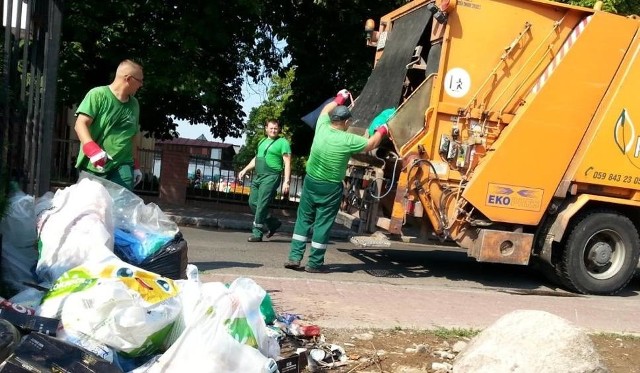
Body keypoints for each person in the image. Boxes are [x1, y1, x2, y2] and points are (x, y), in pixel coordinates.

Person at [285, 89, 390, 273]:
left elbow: (326, 109)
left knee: (303, 220)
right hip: (330, 187)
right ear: (347, 122)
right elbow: (372, 144)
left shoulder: (322, 125)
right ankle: (314, 264)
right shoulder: (348, 139)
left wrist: (340, 98)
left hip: (310, 183)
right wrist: (384, 128)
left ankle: (294, 257)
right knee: (322, 224)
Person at [74, 59, 144, 190]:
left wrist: (135, 165)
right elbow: (80, 124)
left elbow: (132, 136)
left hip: (123, 166)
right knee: (93, 207)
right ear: (128, 79)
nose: (141, 85)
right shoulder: (98, 95)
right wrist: (92, 150)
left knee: (121, 208)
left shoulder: (134, 104)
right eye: (140, 80)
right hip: (95, 165)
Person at [238, 119, 292, 242]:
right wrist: (245, 169)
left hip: (271, 177)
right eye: (271, 128)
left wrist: (286, 181)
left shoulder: (283, 142)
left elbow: (288, 163)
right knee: (252, 202)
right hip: (259, 176)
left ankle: (257, 233)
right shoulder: (262, 141)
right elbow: (257, 158)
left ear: (279, 129)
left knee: (262, 204)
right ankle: (273, 223)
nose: (273, 130)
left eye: (275, 128)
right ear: (266, 129)